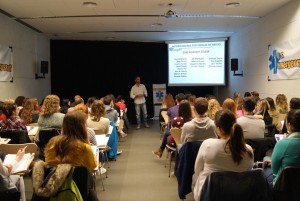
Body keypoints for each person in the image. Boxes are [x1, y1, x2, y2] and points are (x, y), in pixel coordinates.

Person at [192, 109, 254, 201]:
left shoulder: (208, 144)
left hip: (210, 195)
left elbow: (197, 170)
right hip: (239, 194)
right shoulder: (248, 149)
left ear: (219, 129)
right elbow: (248, 172)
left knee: (196, 176)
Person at [264, 109, 300, 186]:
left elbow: (275, 170)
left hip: (284, 188)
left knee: (266, 160)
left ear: (289, 125)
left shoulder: (282, 144)